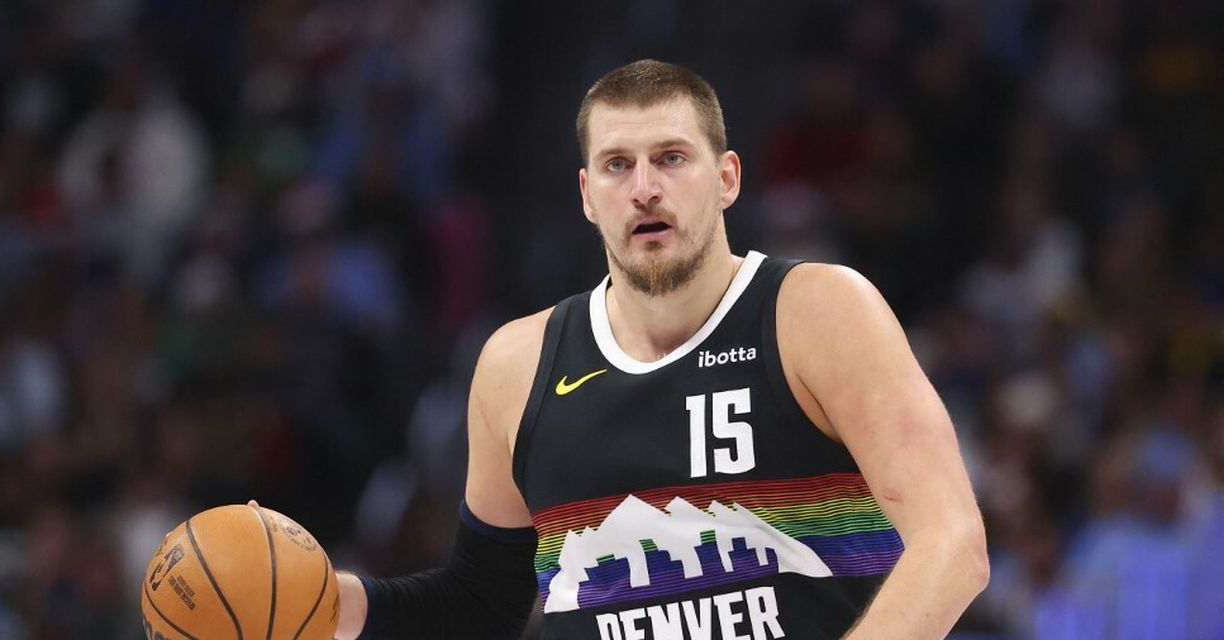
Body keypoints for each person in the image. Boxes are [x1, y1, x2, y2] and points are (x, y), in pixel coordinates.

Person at [335, 59, 988, 640]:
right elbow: (481, 605)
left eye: (671, 158)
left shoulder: (817, 312)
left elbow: (951, 542)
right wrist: (326, 603)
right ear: (588, 195)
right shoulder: (516, 363)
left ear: (727, 178)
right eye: (618, 164)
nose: (644, 187)